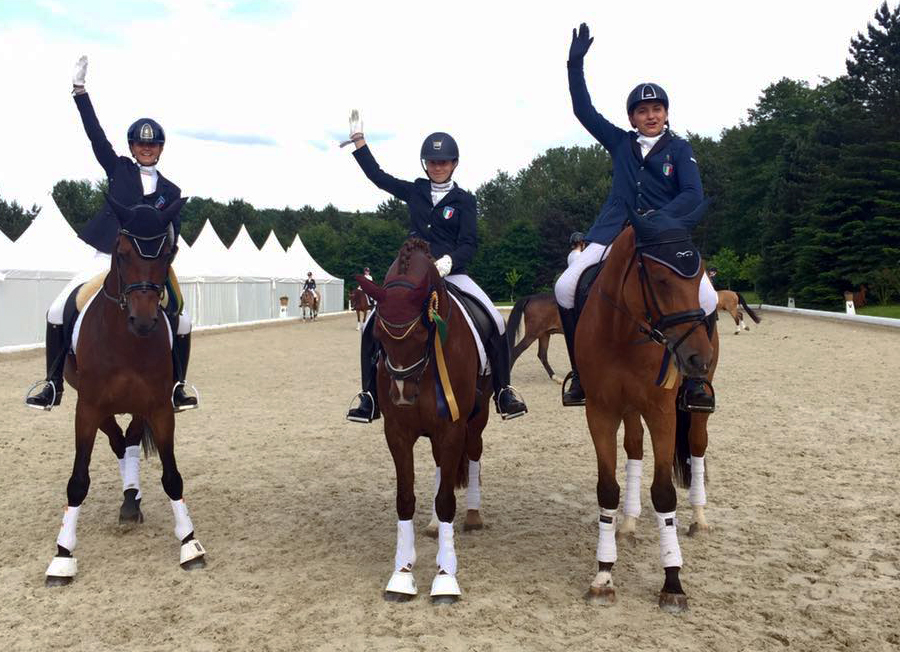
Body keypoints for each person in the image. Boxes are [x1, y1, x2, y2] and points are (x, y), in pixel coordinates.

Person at [554, 24, 717, 411]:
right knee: (565, 286)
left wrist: (658, 218)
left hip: (663, 237)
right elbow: (583, 111)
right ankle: (581, 372)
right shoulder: (620, 143)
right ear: (632, 118)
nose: (650, 115)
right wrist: (574, 66)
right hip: (612, 232)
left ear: (666, 114)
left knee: (708, 298)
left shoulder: (680, 149)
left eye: (656, 109)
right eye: (642, 111)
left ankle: (697, 382)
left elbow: (693, 195)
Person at [25, 55, 197, 412]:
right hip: (106, 257)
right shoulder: (118, 169)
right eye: (140, 144)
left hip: (149, 267)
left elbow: (173, 233)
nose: (146, 148)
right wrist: (80, 92)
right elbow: (95, 136)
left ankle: (177, 387)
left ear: (160, 149)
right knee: (57, 310)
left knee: (183, 319)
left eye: (152, 144)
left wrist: (163, 261)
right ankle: (53, 383)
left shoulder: (172, 190)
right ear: (132, 147)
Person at [342, 110, 527, 422]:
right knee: (372, 324)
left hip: (452, 273)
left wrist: (448, 262)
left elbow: (469, 243)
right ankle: (369, 396)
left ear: (454, 164)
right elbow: (379, 177)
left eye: (444, 162)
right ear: (425, 164)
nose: (438, 167)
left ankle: (503, 391)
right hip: (412, 275)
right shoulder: (415, 190)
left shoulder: (464, 201)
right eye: (432, 162)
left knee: (495, 320)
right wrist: (360, 143)